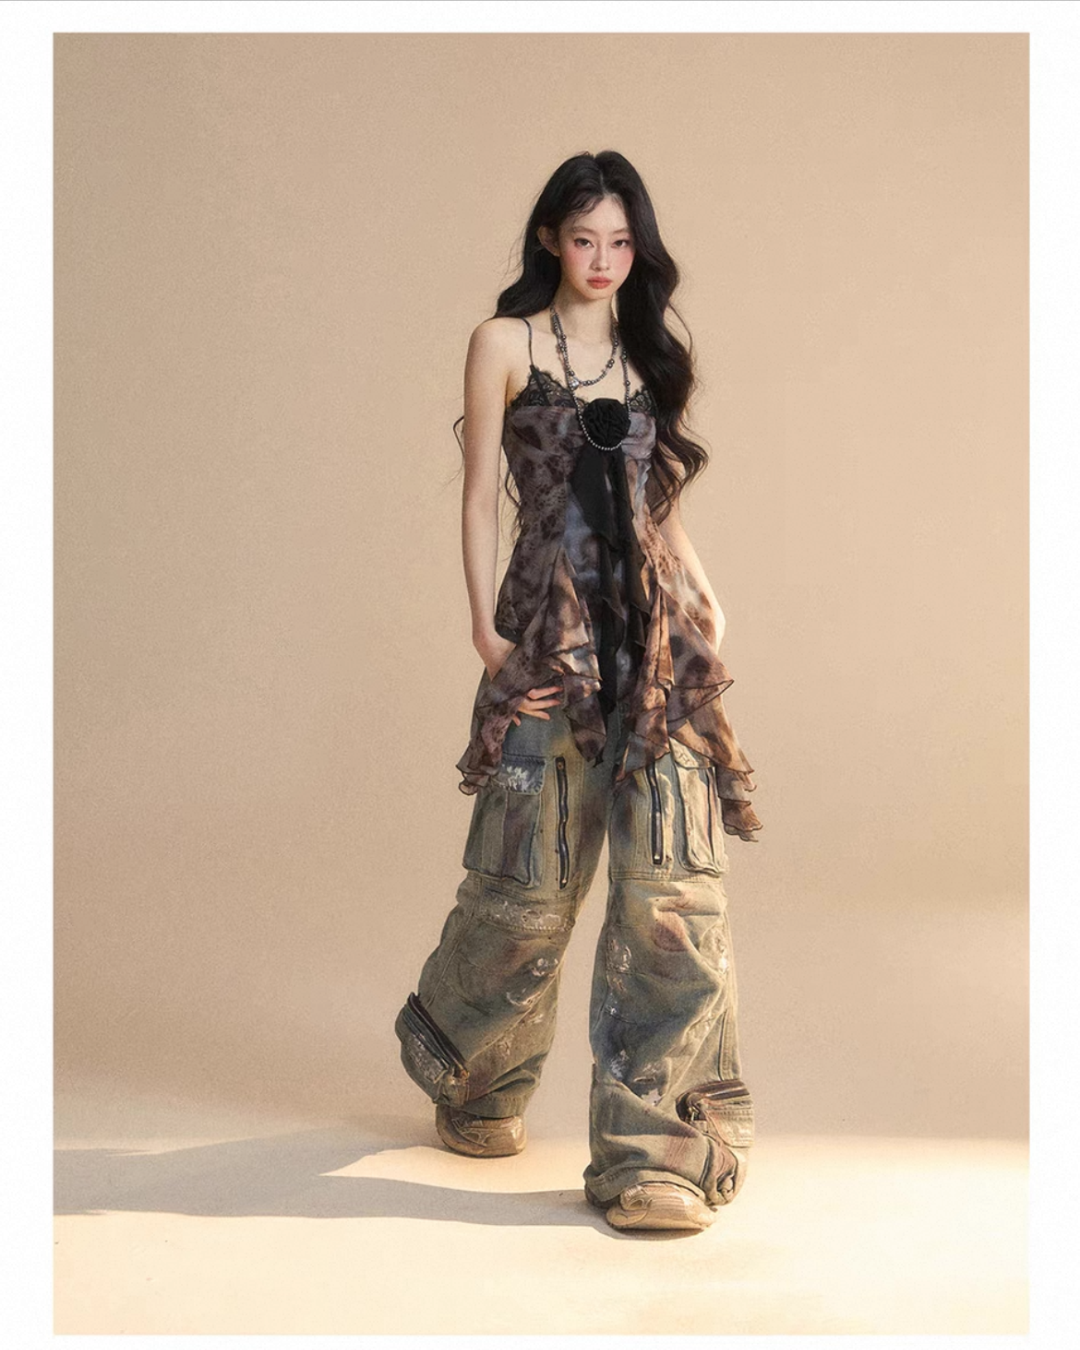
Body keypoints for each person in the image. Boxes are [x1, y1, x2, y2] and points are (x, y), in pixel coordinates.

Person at [394, 150, 762, 1234]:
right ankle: (471, 1068)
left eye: (621, 242)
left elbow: (661, 508)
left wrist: (704, 596)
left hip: (657, 648)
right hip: (550, 639)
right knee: (524, 894)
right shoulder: (503, 343)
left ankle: (658, 1154)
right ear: (551, 239)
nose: (602, 260)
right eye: (584, 238)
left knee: (672, 901)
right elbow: (479, 496)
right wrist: (484, 631)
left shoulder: (649, 354)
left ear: (637, 249)